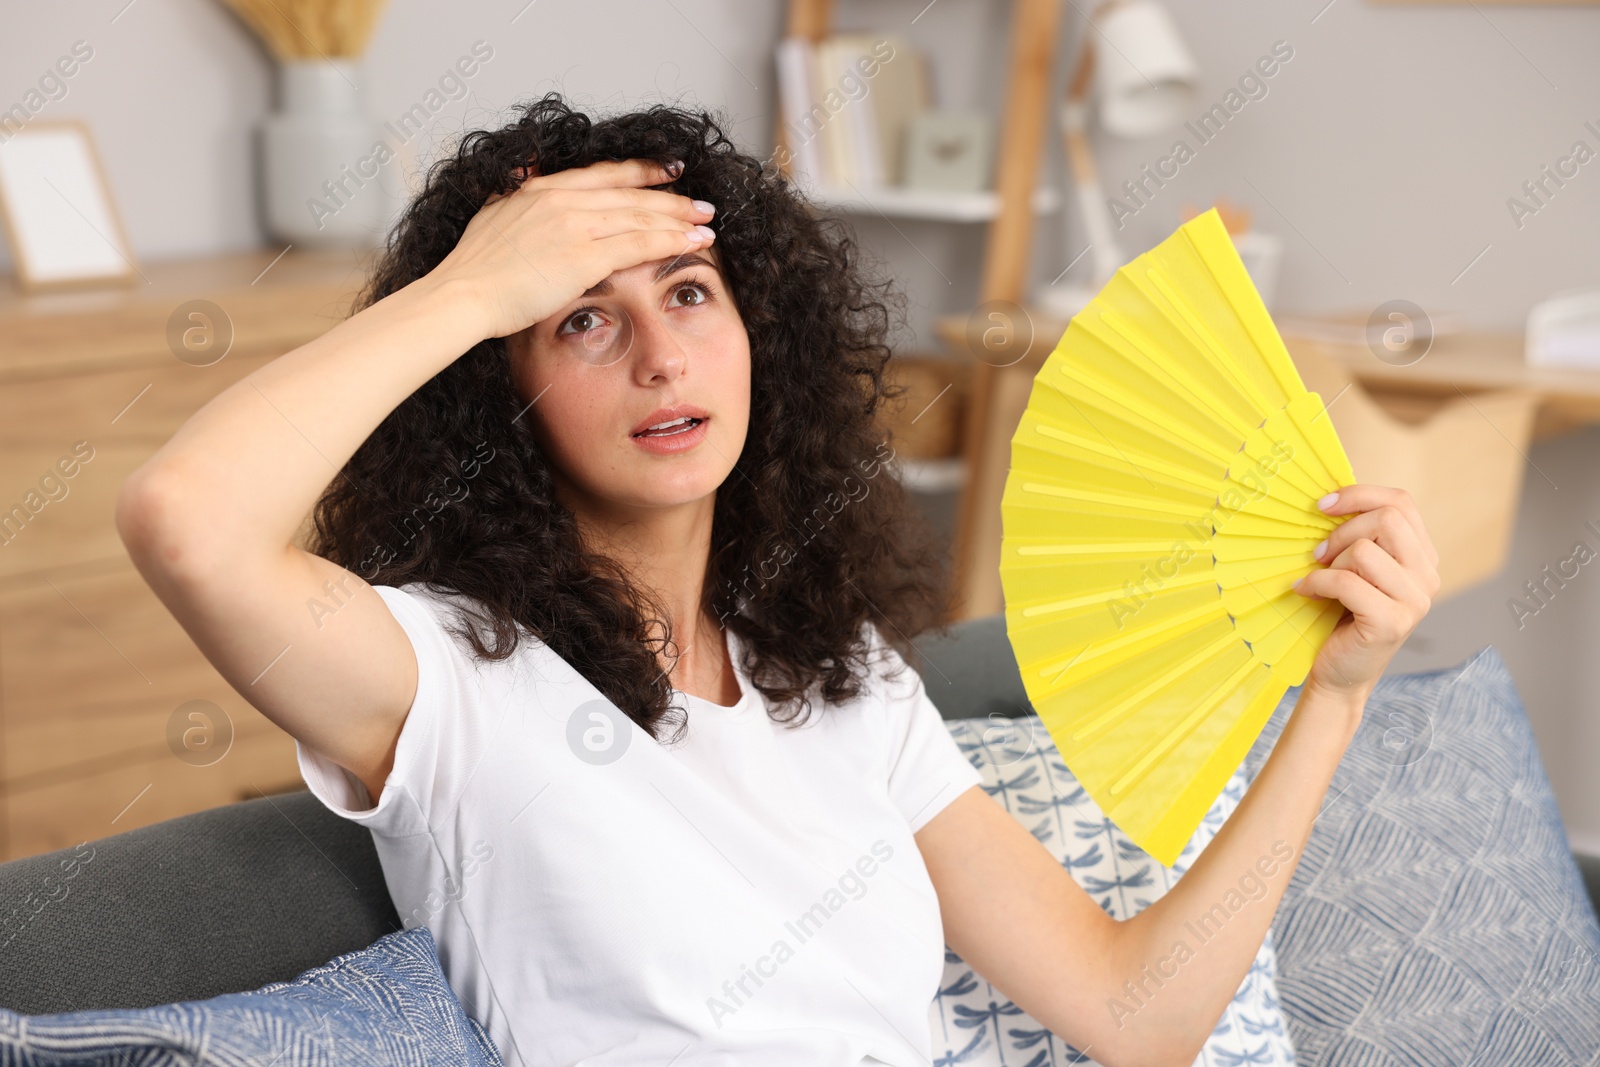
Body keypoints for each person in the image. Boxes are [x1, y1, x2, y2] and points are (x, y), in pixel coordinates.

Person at [116, 94, 1439, 1067]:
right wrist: (477, 286)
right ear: (492, 395)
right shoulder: (445, 675)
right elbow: (186, 521)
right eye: (581, 314)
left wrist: (1335, 694)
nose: (658, 355)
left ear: (760, 336)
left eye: (690, 294)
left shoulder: (841, 675)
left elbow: (1137, 1014)